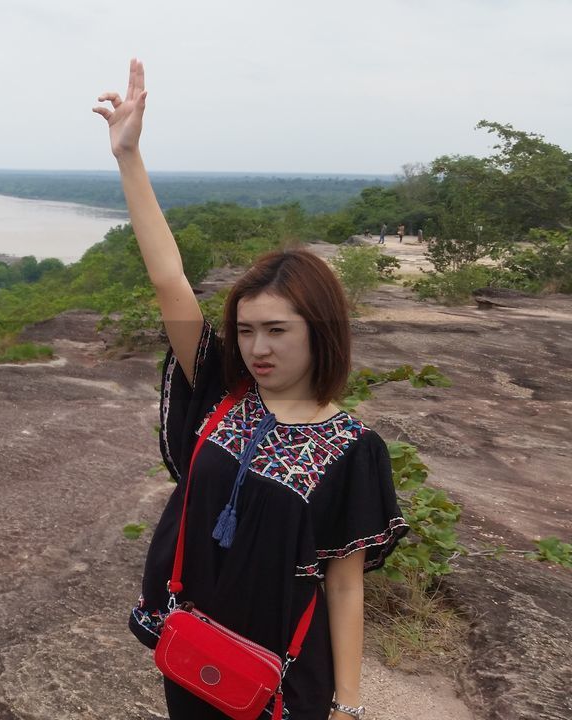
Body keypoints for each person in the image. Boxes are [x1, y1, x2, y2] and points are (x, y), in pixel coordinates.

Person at [94, 58, 408, 720]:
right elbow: (169, 279)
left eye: (277, 331)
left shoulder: (353, 448)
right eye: (245, 331)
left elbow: (345, 588)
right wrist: (129, 158)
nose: (258, 348)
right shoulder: (222, 395)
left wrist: (347, 707)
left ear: (319, 331)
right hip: (193, 649)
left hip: (280, 683)